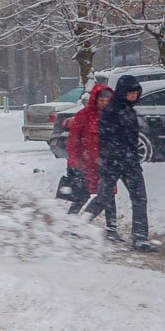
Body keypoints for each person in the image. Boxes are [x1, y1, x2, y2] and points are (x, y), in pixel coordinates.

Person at [81, 75, 155, 252]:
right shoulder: (111, 111)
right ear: (122, 92)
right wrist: (116, 157)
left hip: (130, 163)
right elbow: (107, 138)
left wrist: (132, 158)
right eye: (130, 94)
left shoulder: (129, 111)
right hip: (112, 163)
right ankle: (77, 226)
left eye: (136, 94)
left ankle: (140, 238)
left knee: (139, 199)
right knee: (103, 197)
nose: (133, 97)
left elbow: (131, 139)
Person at [65, 83, 116, 225]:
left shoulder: (113, 115)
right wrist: (73, 162)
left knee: (109, 195)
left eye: (108, 101)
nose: (105, 104)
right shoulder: (83, 115)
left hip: (106, 163)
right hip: (86, 163)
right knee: (82, 194)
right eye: (102, 101)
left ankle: (111, 228)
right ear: (95, 100)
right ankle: (70, 223)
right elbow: (73, 140)